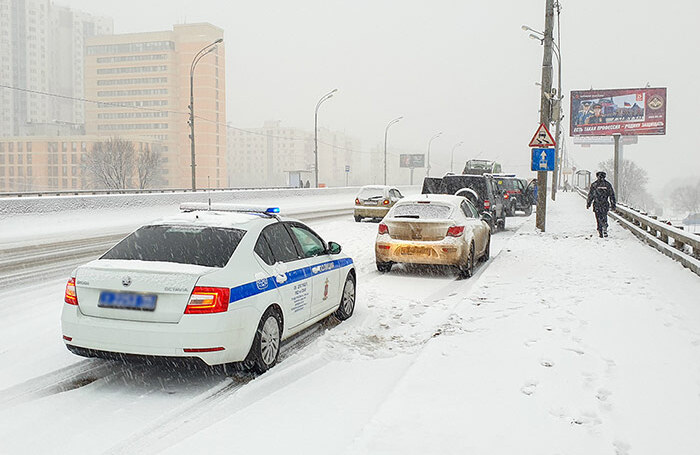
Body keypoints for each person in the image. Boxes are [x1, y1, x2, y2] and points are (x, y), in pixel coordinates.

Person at [586, 171, 616, 237]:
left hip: (597, 204)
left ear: (597, 176)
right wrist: (613, 204)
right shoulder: (607, 185)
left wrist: (589, 203)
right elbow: (612, 195)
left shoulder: (594, 184)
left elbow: (591, 195)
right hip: (605, 204)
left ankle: (600, 230)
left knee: (598, 217)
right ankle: (604, 227)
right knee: (604, 216)